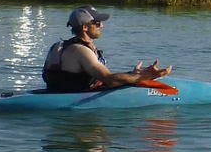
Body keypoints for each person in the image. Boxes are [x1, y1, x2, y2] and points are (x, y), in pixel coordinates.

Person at [42, 6, 172, 93]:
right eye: (97, 23)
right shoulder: (81, 51)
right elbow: (109, 80)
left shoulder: (59, 45)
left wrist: (132, 74)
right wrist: (147, 76)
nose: (102, 26)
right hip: (70, 101)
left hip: (57, 94)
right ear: (84, 27)